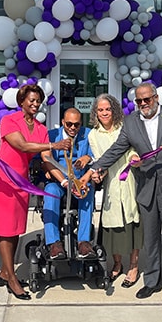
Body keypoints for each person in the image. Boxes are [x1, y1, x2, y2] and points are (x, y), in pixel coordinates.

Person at [91, 82, 162, 310]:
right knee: (150, 240)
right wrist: (96, 168)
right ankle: (152, 281)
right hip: (147, 188)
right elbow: (116, 149)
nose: (143, 104)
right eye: (139, 101)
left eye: (147, 99)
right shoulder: (131, 122)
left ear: (156, 98)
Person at [0, 84, 71, 301]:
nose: (34, 104)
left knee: (15, 229)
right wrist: (54, 145)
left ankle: (5, 273)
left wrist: (66, 178)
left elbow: (45, 157)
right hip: (4, 179)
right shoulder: (9, 120)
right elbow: (22, 146)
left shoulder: (41, 129)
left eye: (37, 101)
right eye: (31, 100)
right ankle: (13, 280)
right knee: (5, 229)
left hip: (22, 182)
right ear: (22, 101)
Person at [87, 94, 142, 288]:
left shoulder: (125, 127)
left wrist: (135, 158)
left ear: (115, 110)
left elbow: (134, 149)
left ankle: (134, 266)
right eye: (100, 110)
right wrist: (98, 174)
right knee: (114, 229)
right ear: (95, 112)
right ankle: (117, 264)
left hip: (130, 180)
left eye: (107, 109)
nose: (104, 113)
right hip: (111, 183)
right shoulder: (93, 135)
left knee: (134, 225)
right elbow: (100, 159)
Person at [42, 108, 96, 260]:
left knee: (88, 191)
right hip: (58, 181)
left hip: (80, 180)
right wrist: (45, 167)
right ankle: (54, 243)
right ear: (63, 122)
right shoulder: (52, 136)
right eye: (69, 124)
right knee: (50, 192)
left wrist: (88, 157)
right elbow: (42, 160)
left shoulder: (88, 135)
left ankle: (83, 241)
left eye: (76, 125)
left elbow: (97, 156)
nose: (73, 128)